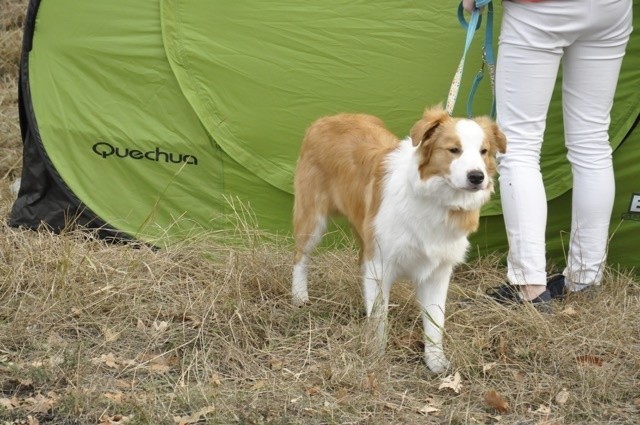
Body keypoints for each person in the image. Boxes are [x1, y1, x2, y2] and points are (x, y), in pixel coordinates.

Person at [462, 0, 633, 305]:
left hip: (540, 8)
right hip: (611, 7)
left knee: (518, 147)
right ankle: (585, 279)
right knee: (592, 142)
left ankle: (530, 288)